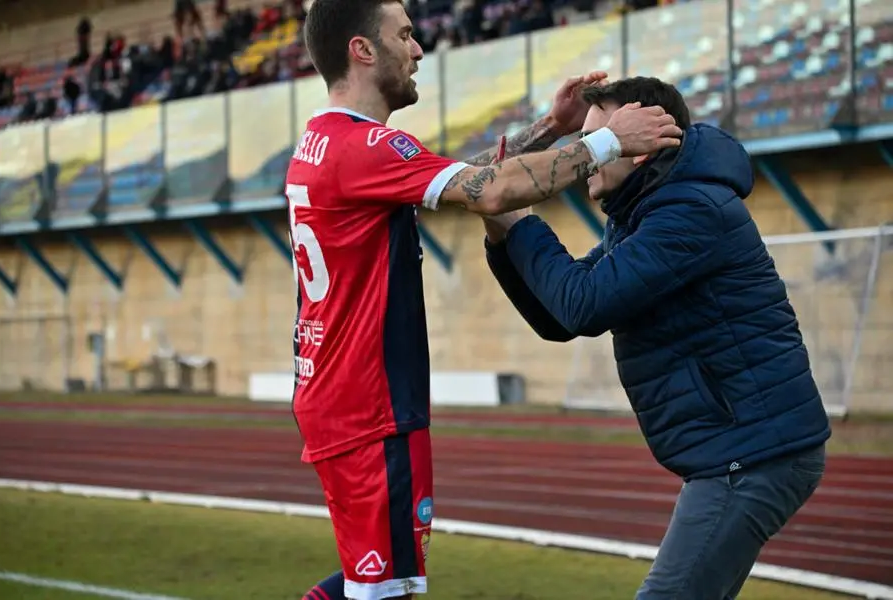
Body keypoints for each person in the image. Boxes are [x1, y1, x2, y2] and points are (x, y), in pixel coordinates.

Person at [287, 2, 684, 599]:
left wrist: (551, 129)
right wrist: (605, 142)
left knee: (372, 583)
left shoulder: (332, 141)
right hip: (369, 407)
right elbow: (493, 192)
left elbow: (468, 179)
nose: (418, 49)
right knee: (385, 591)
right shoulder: (362, 146)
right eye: (405, 35)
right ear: (361, 51)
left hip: (344, 395)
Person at [482, 76, 832, 599]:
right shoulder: (648, 213)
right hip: (742, 449)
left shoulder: (690, 212)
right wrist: (504, 232)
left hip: (754, 453)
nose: (586, 158)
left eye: (600, 142)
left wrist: (524, 225)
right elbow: (559, 319)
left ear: (643, 151)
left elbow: (584, 304)